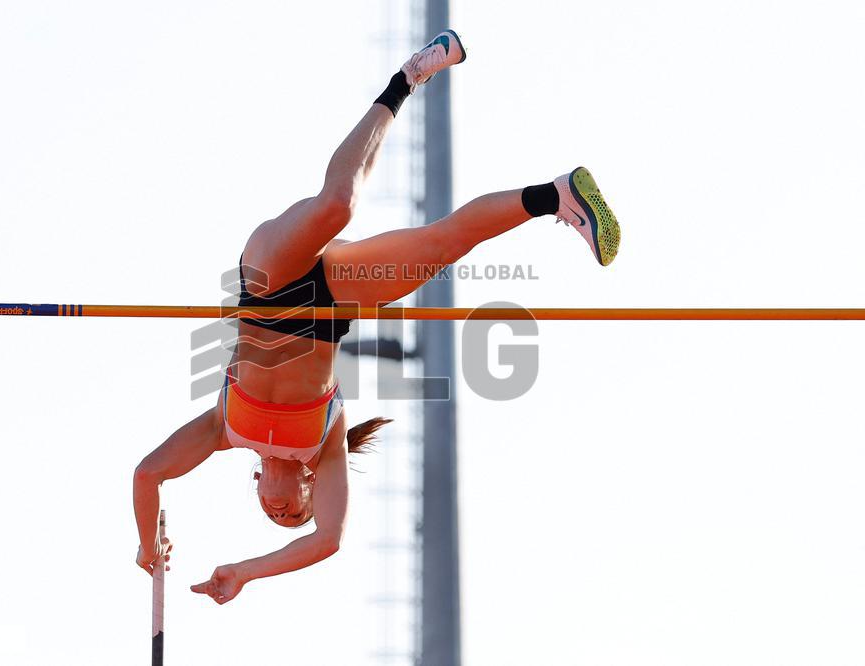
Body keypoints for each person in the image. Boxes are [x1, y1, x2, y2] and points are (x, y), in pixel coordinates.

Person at [133, 29, 620, 605]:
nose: (282, 513)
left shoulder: (224, 429)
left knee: (337, 206)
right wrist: (247, 572)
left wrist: (146, 545)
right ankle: (556, 196)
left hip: (267, 287)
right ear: (311, 487)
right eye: (294, 516)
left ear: (258, 484)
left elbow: (148, 475)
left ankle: (406, 78)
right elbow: (328, 540)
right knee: (441, 245)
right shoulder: (326, 441)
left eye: (272, 514)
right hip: (328, 308)